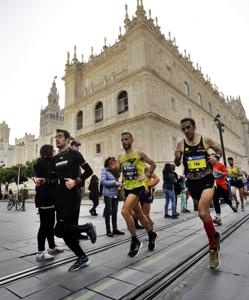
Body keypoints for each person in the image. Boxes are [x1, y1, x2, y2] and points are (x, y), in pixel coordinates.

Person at [174, 118, 222, 269]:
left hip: (207, 179)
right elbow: (176, 163)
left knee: (202, 211)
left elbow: (219, 150)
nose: (186, 131)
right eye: (183, 129)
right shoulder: (180, 144)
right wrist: (176, 158)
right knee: (201, 213)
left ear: (194, 127)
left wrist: (215, 157)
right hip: (192, 182)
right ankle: (215, 234)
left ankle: (213, 248)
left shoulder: (205, 140)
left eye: (188, 127)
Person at [52, 129, 96, 272]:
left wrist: (76, 182)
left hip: (72, 197)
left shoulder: (75, 154)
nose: (57, 139)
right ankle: (82, 257)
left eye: (60, 137)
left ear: (67, 139)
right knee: (64, 232)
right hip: (60, 198)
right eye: (56, 137)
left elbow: (89, 171)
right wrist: (43, 180)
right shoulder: (56, 158)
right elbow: (54, 178)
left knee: (59, 230)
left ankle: (87, 227)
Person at [118, 132, 158, 257]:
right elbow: (120, 173)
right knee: (140, 215)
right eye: (122, 140)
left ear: (131, 140)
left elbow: (153, 164)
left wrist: (146, 175)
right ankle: (152, 234)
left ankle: (135, 240)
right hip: (128, 188)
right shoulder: (120, 157)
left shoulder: (139, 154)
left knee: (125, 211)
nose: (124, 141)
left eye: (126, 139)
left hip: (138, 186)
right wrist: (115, 172)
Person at [34, 144, 64, 261]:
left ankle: (51, 246)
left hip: (51, 197)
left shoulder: (50, 163)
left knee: (51, 224)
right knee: (44, 225)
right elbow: (47, 179)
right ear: (48, 152)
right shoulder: (42, 163)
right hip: (44, 197)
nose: (55, 151)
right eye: (53, 150)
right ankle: (40, 251)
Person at [100, 156, 125, 237]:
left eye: (114, 162)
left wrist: (120, 183)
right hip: (108, 194)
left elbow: (118, 180)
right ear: (108, 163)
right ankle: (108, 230)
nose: (114, 163)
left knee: (115, 211)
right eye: (112, 162)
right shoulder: (105, 171)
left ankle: (115, 229)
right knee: (108, 212)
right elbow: (103, 182)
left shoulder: (116, 172)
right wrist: (114, 183)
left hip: (115, 194)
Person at [210, 154, 237, 225]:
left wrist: (219, 172)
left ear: (216, 158)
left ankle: (231, 205)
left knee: (226, 199)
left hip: (222, 185)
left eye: (213, 157)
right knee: (215, 200)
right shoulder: (210, 166)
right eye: (211, 157)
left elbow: (227, 174)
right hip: (214, 186)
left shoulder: (221, 165)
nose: (211, 159)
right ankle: (218, 218)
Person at [70, 140, 88, 240]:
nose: (78, 148)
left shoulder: (77, 157)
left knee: (76, 213)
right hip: (69, 189)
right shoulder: (69, 157)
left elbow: (81, 172)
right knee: (71, 214)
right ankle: (71, 234)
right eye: (76, 146)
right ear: (72, 146)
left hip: (77, 188)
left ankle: (76, 233)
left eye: (78, 146)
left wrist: (79, 181)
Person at [140, 165, 160, 231]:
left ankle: (151, 231)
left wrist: (149, 186)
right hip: (138, 193)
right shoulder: (135, 168)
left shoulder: (146, 168)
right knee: (137, 213)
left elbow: (157, 179)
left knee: (145, 213)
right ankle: (149, 226)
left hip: (146, 194)